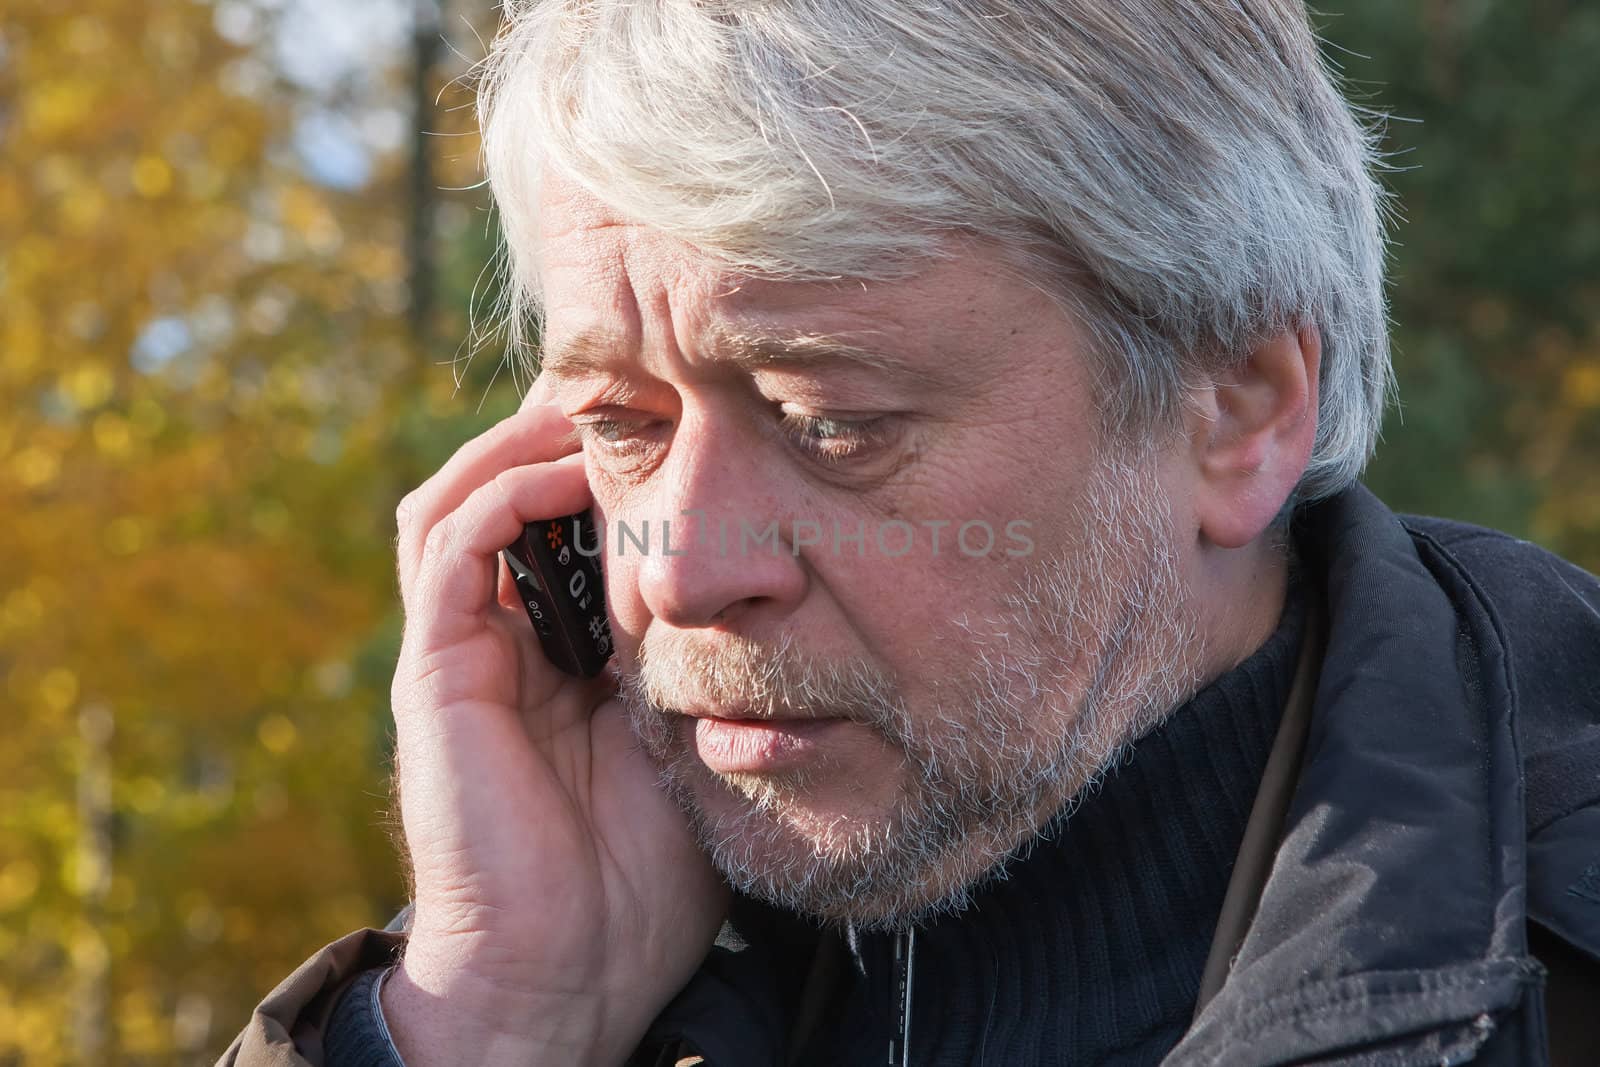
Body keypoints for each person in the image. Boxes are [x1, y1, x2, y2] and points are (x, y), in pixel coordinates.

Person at [219, 1, 1600, 1064]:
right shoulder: (532, 965)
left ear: (1237, 413)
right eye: (623, 425)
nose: (683, 572)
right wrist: (500, 1017)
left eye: (830, 422)